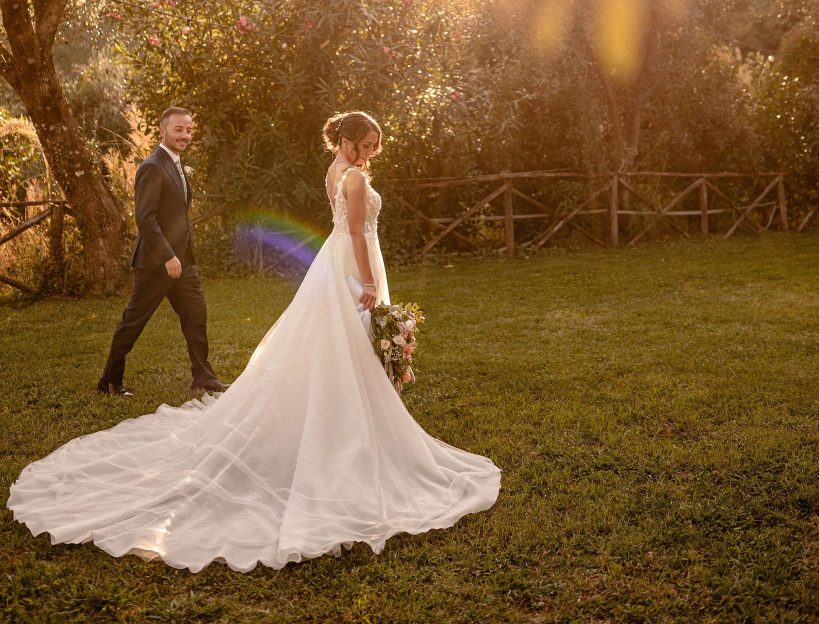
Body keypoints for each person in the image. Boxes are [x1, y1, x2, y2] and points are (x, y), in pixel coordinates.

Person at [7, 111, 500, 572]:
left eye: (374, 147)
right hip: (354, 264)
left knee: (337, 346)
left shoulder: (336, 170)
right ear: (347, 141)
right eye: (365, 144)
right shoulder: (353, 177)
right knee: (346, 344)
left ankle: (342, 419)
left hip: (336, 264)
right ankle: (346, 430)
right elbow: (354, 231)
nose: (370, 153)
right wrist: (369, 282)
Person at [97, 107, 228, 397]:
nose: (185, 135)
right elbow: (145, 218)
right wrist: (168, 256)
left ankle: (204, 378)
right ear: (162, 131)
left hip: (184, 261)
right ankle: (110, 381)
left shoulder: (177, 164)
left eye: (189, 130)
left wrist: (182, 254)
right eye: (178, 129)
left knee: (196, 316)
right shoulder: (152, 166)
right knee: (133, 321)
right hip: (156, 262)